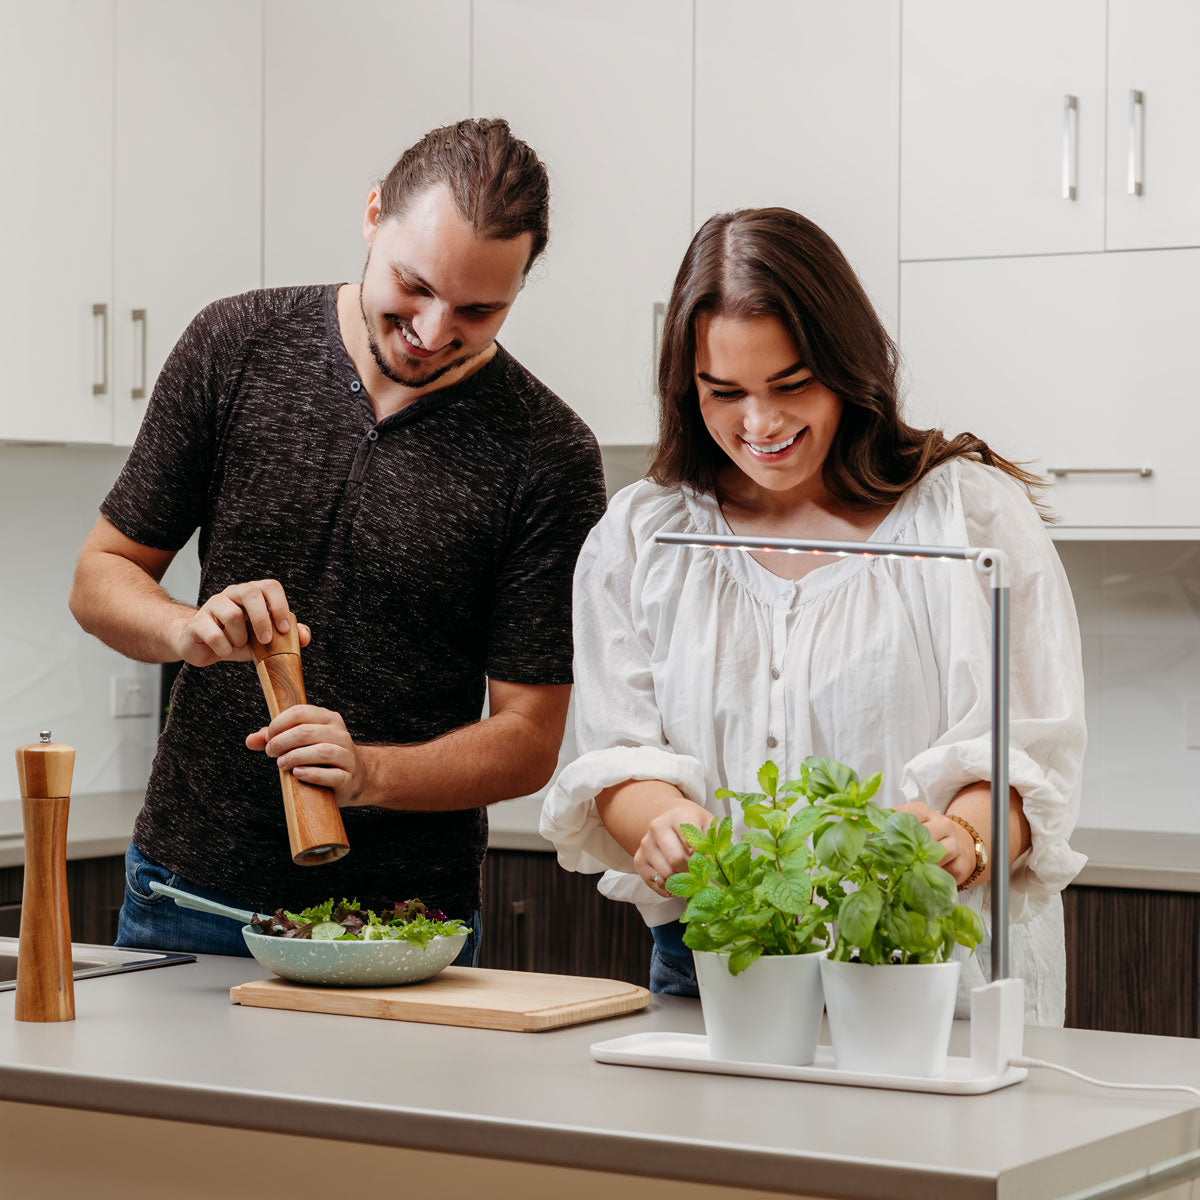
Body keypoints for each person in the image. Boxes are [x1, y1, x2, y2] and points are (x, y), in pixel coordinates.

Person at [70, 118, 606, 961]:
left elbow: (529, 738)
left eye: (478, 309)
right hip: (186, 897)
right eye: (413, 285)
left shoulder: (548, 454)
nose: (432, 331)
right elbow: (100, 576)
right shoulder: (234, 345)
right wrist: (186, 629)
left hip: (402, 933)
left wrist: (367, 772)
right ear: (371, 215)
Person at [541, 207, 1085, 1025]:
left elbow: (1026, 755)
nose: (758, 425)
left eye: (790, 386)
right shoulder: (644, 535)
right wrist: (663, 823)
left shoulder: (967, 520)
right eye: (724, 393)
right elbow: (621, 749)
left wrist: (960, 844)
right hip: (720, 956)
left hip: (930, 962)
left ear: (848, 365)